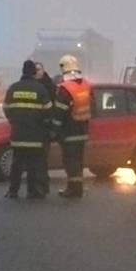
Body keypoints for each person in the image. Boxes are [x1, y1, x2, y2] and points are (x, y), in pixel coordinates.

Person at [3, 60, 53, 199]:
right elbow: (48, 110)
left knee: (17, 165)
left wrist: (14, 120)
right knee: (34, 165)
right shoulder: (40, 89)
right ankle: (33, 191)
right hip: (35, 136)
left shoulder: (13, 88)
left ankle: (13, 191)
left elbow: (6, 108)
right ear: (33, 72)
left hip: (18, 135)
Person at [51, 54, 93, 198]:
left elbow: (59, 112)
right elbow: (93, 105)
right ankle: (78, 188)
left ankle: (72, 190)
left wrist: (54, 130)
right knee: (79, 161)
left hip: (69, 132)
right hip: (83, 130)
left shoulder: (65, 88)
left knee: (70, 162)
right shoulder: (86, 85)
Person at [35, 62, 57, 194]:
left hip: (44, 127)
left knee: (42, 158)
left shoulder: (49, 86)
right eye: (35, 70)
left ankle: (43, 186)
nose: (37, 72)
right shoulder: (30, 86)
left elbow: (52, 107)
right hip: (33, 127)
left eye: (39, 69)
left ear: (44, 70)